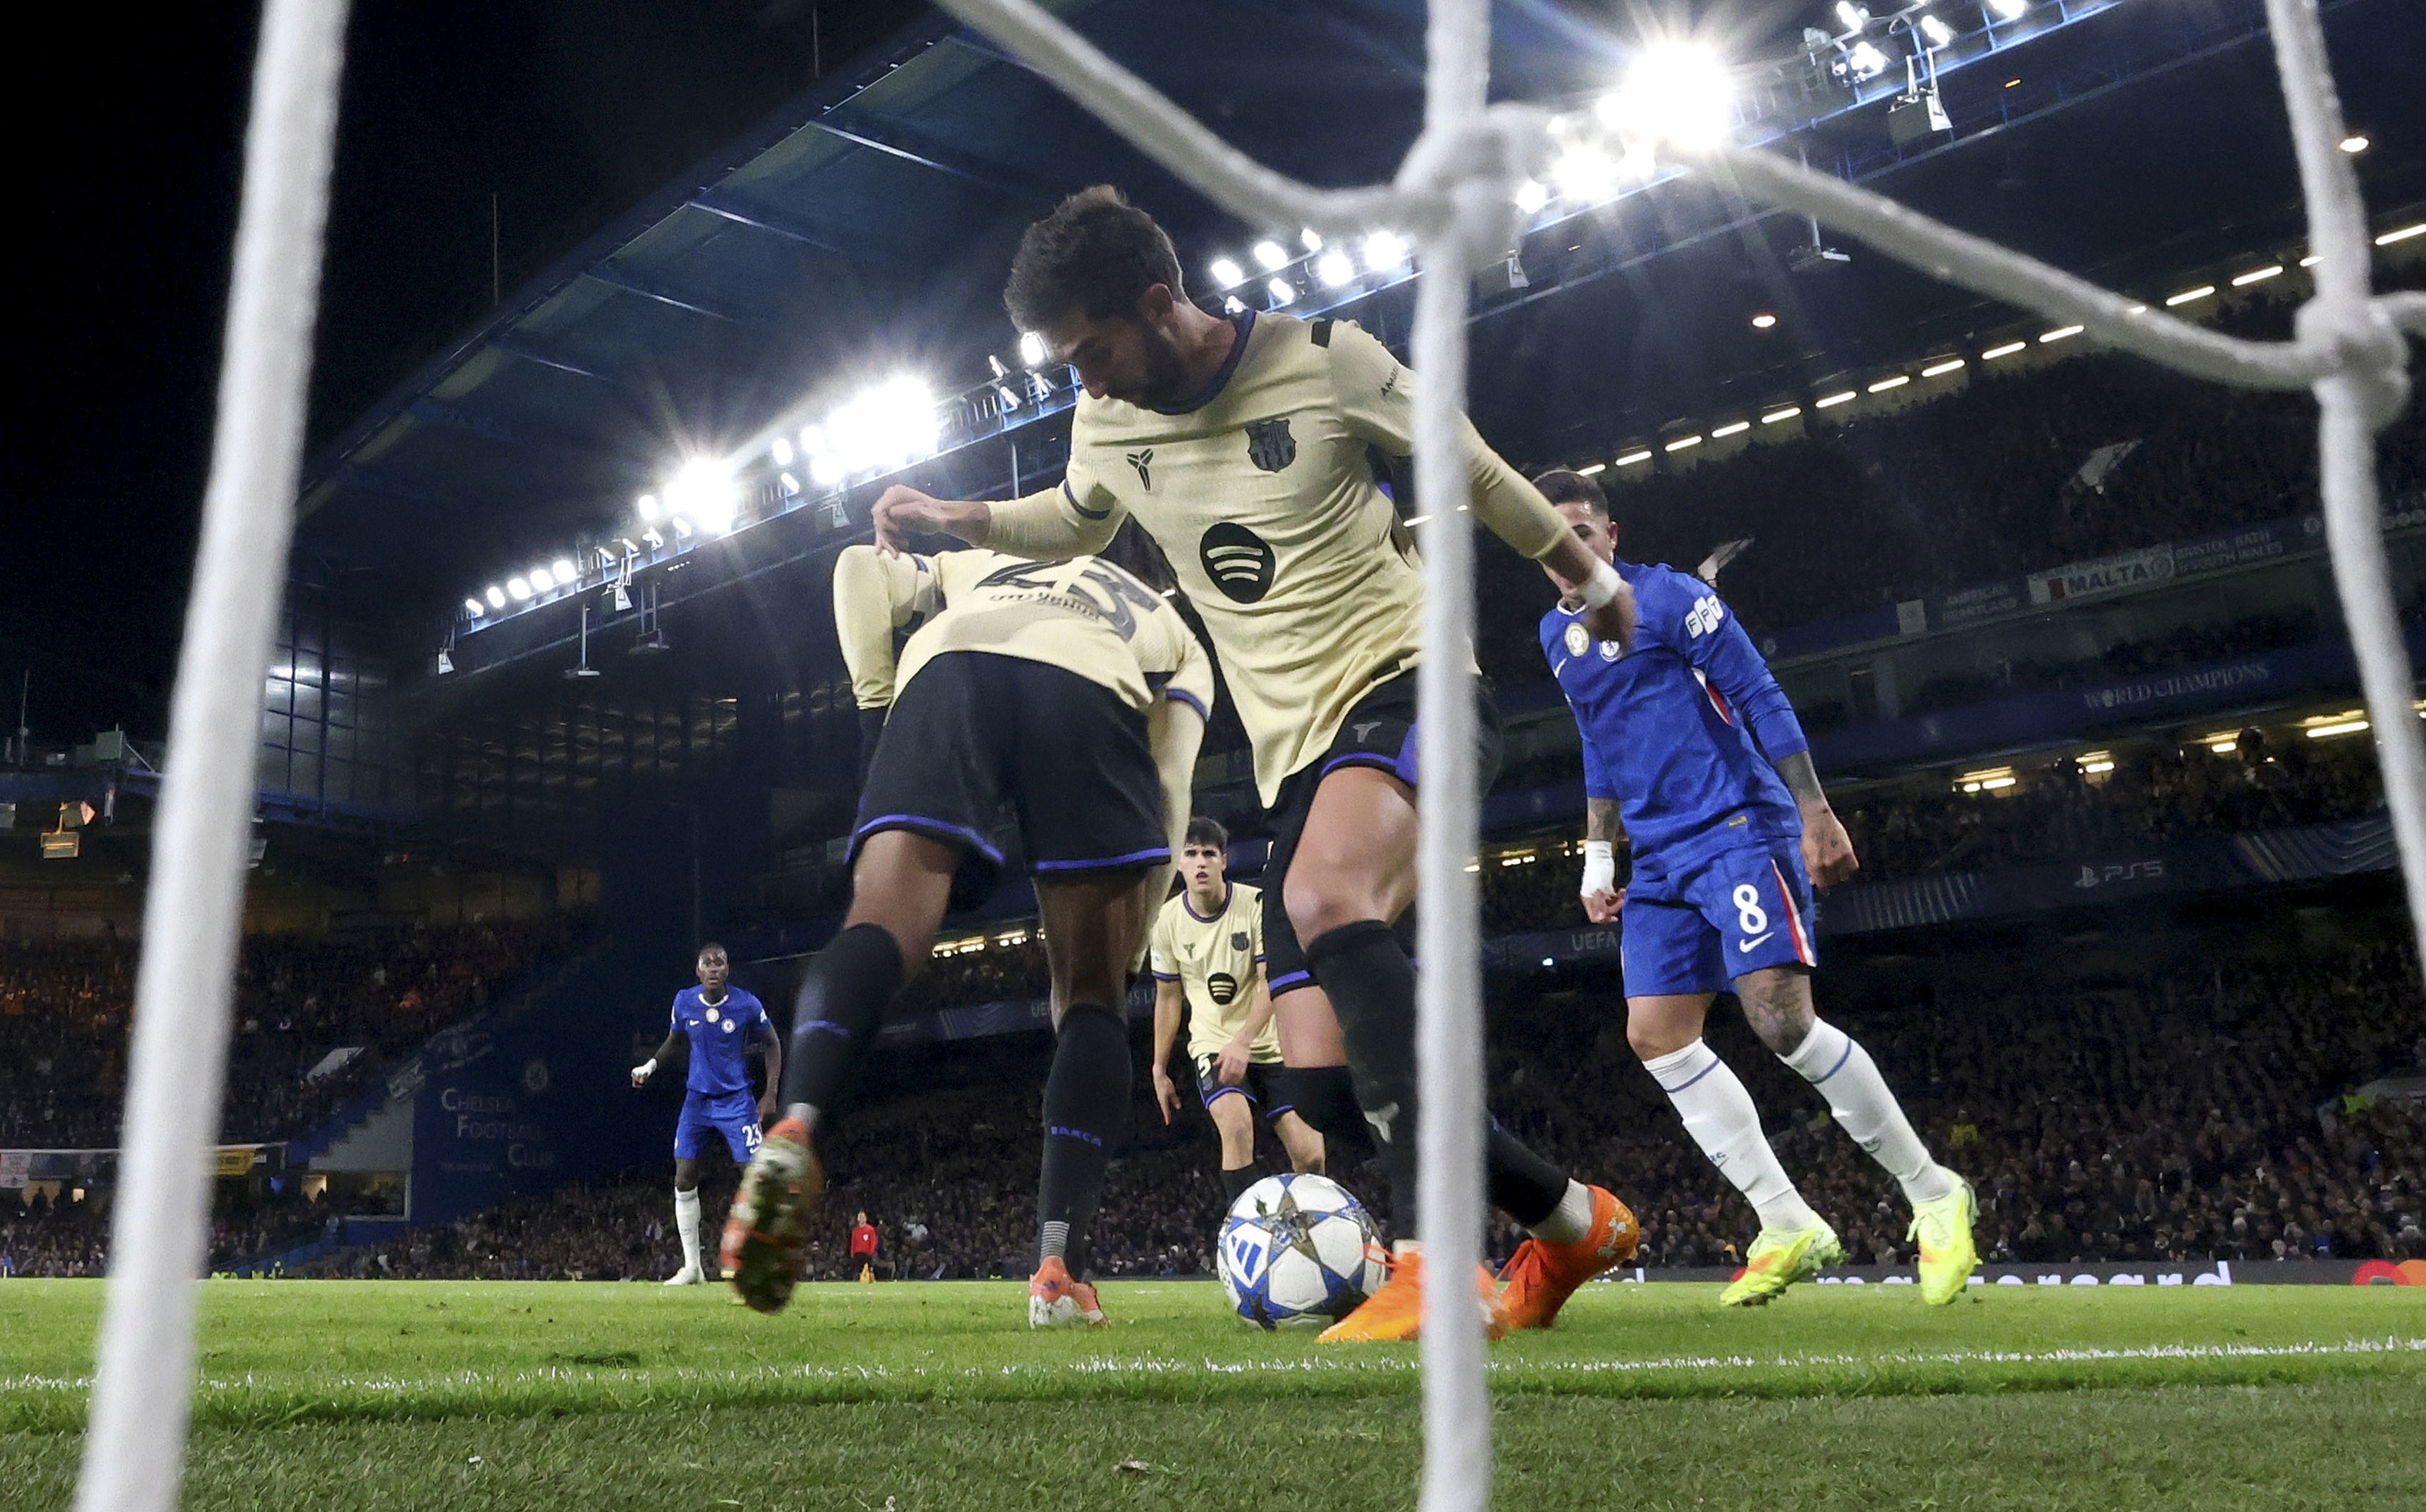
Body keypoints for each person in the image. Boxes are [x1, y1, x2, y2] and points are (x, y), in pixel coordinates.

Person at [869, 186, 1639, 1341]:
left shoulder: (1326, 362)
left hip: (1411, 684)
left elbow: (1468, 463)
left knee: (1328, 896)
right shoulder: (1108, 427)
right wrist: (961, 516)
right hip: (1298, 756)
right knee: (1323, 1074)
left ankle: (1440, 1264)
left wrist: (1588, 574)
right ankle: (1575, 1217)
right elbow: (1076, 518)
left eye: (1094, 350)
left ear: (1158, 300)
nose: (1086, 380)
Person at [722, 543, 1212, 1328]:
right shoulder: (1172, 630)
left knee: (879, 919)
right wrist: (1139, 923)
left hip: (946, 664)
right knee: (1089, 999)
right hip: (1092, 682)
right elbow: (1172, 782)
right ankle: (1058, 1266)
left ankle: (799, 1122)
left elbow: (853, 566)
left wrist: (878, 720)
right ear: (1161, 575)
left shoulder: (983, 562)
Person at [1530, 467, 1977, 1305]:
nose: (1569, 550)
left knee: (1781, 1020)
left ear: (1611, 536)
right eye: (1552, 538)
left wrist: (1813, 808)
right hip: (1659, 858)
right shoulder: (1558, 640)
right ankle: (1785, 1220)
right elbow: (1599, 739)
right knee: (1657, 1035)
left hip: (1738, 825)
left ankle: (1933, 1191)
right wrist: (1598, 857)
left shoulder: (1673, 601)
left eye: (1582, 532)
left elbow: (1758, 692)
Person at [1149, 816, 1327, 1206]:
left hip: (1270, 1043)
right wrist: (1159, 1067)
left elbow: (1270, 981)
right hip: (1213, 1044)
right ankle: (1242, 1235)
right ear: (1179, 863)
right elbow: (1168, 997)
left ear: (1224, 862)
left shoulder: (1255, 905)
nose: (1200, 862)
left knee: (1310, 1154)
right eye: (1191, 854)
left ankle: (1312, 1238)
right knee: (1236, 1126)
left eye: (1208, 854)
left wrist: (1244, 1041)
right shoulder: (1166, 921)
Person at [630, 943, 781, 1285]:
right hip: (697, 1102)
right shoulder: (684, 1001)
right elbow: (674, 1039)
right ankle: (692, 1268)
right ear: (698, 972)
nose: (714, 968)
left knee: (753, 1177)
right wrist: (650, 1067)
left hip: (737, 1101)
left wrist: (770, 1094)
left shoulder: (746, 1004)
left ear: (727, 970)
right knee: (684, 1177)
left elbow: (772, 1042)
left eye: (720, 963)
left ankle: (763, 1260)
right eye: (707, 964)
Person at [849, 1210, 878, 1283]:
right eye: (860, 1217)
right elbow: (853, 1243)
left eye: (863, 1217)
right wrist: (852, 1253)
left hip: (867, 1253)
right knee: (857, 1271)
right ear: (858, 1219)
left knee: (870, 1270)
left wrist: (871, 1251)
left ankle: (874, 1284)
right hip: (858, 1254)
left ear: (866, 1219)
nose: (861, 1219)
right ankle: (855, 1284)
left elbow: (873, 1241)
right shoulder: (855, 1231)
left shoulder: (870, 1229)